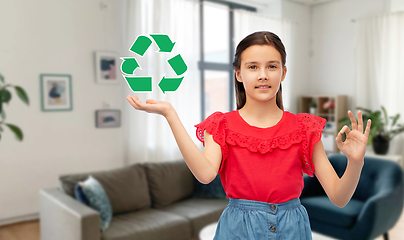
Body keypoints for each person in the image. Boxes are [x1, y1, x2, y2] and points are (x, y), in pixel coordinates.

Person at [126, 31, 371, 240]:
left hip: (292, 229)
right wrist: (170, 114)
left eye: (271, 66)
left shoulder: (304, 128)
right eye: (253, 67)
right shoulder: (222, 124)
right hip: (238, 229)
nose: (262, 74)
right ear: (239, 74)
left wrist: (355, 162)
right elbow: (204, 174)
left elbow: (339, 197)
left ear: (283, 73)